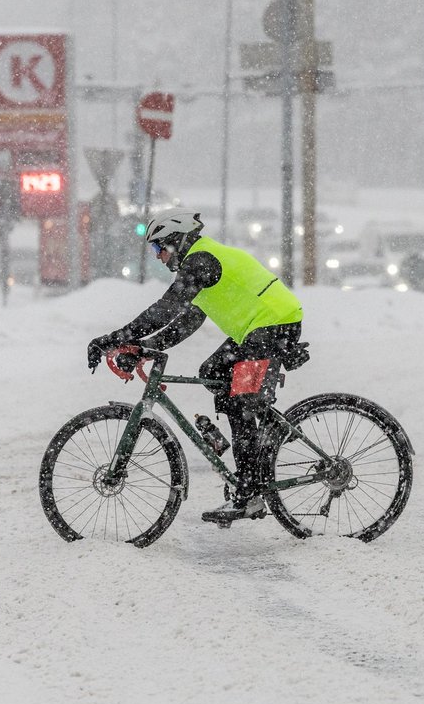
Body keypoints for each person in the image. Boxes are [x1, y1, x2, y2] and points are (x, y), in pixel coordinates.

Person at [85, 207, 307, 525]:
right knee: (213, 372)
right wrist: (145, 347)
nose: (158, 256)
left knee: (240, 403)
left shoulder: (201, 261)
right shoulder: (200, 265)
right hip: (261, 329)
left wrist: (113, 339)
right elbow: (184, 322)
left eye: (158, 247)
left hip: (274, 325)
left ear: (175, 239)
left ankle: (249, 493)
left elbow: (165, 309)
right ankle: (266, 426)